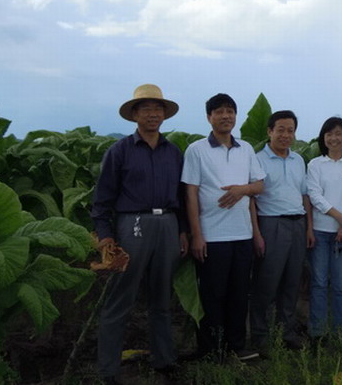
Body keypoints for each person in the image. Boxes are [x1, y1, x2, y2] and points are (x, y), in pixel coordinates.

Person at [91, 84, 189, 384]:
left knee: (162, 297)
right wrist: (106, 235)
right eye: (146, 108)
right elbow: (102, 199)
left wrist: (183, 231)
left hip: (168, 224)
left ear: (164, 115)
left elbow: (182, 196)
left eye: (158, 109)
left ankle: (164, 360)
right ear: (135, 115)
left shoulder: (173, 152)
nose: (152, 114)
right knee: (121, 297)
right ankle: (109, 370)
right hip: (132, 224)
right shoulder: (119, 151)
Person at [181, 93, 265, 361]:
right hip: (212, 236)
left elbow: (259, 185)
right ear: (209, 117)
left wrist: (242, 190)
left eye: (230, 111)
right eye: (219, 111)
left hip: (242, 233)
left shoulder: (246, 149)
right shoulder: (196, 150)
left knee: (239, 293)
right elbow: (190, 193)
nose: (226, 116)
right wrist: (196, 235)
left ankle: (236, 347)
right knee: (212, 295)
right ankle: (211, 351)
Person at [250, 110, 315, 351]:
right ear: (270, 131)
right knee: (266, 283)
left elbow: (305, 195)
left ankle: (286, 333)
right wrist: (256, 233)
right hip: (271, 224)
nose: (286, 135)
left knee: (291, 282)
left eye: (290, 130)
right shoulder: (258, 159)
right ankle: (260, 337)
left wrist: (309, 227)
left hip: (298, 224)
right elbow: (251, 200)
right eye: (281, 130)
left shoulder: (298, 160)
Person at [306, 116, 342, 340]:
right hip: (321, 232)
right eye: (329, 134)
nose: (334, 138)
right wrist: (341, 218)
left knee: (340, 284)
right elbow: (315, 196)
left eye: (338, 133)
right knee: (319, 282)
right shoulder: (315, 165)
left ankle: (341, 332)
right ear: (323, 138)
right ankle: (318, 332)